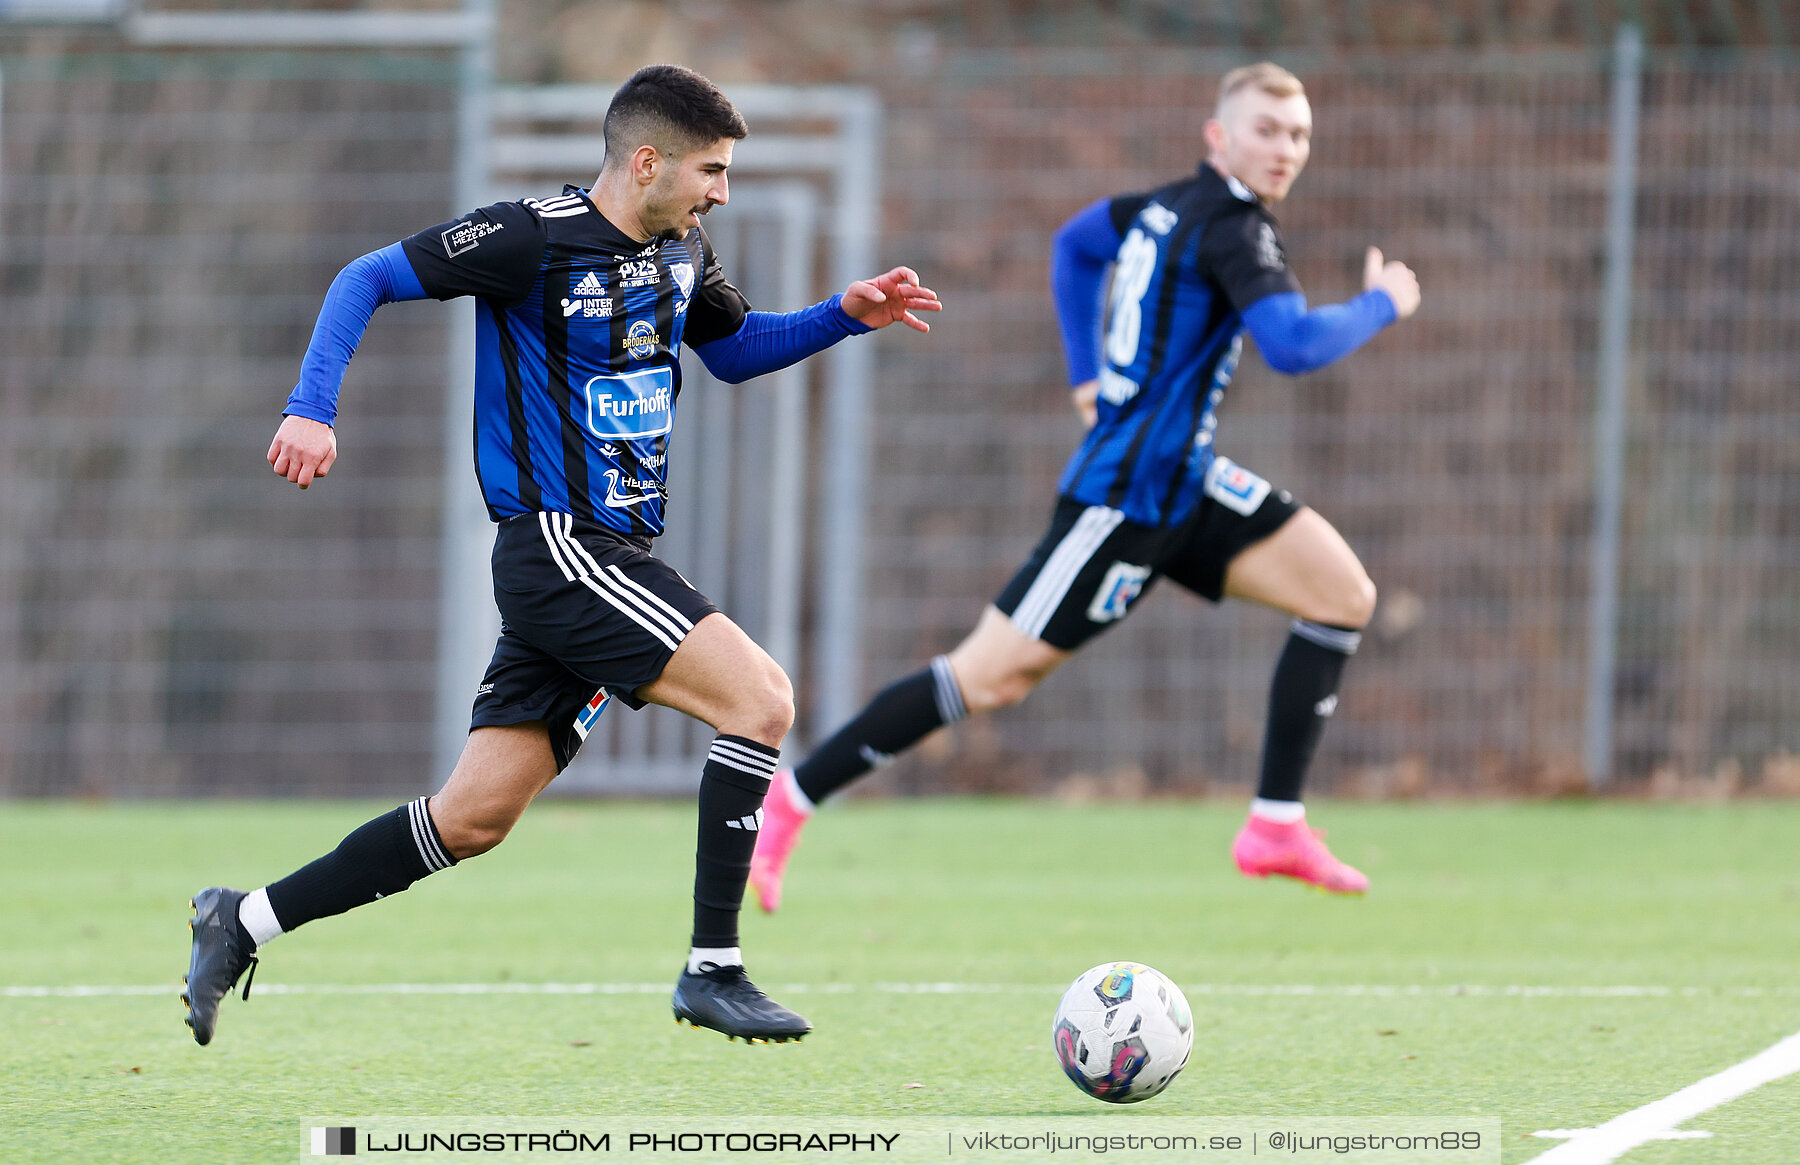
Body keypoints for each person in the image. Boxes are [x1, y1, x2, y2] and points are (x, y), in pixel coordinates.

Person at [181, 64, 941, 1047]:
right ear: (647, 160)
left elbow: (738, 346)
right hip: (561, 550)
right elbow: (364, 276)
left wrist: (845, 313)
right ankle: (714, 966)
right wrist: (311, 408)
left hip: (610, 555)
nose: (721, 191)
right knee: (761, 700)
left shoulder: (682, 249)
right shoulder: (526, 239)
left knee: (471, 818)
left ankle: (240, 920)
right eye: (712, 170)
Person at [749, 62, 1418, 911]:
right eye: (1266, 129)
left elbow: (1076, 243)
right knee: (987, 677)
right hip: (1122, 499)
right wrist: (1382, 303)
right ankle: (789, 800)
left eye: (1299, 135)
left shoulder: (1159, 209)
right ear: (1219, 136)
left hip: (1186, 481)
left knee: (1342, 594)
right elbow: (1290, 345)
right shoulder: (1235, 230)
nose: (1285, 148)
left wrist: (1085, 376)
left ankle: (1275, 825)